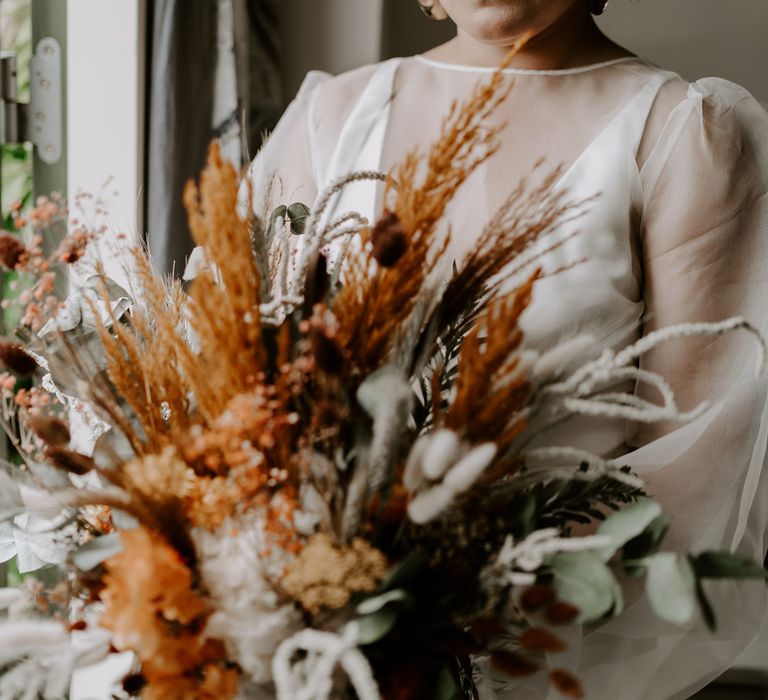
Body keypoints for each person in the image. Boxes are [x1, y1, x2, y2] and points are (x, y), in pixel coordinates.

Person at [239, 1, 768, 698]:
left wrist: (465, 615)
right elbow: (248, 401)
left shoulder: (685, 135)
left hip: (548, 654)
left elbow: (695, 463)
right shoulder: (331, 120)